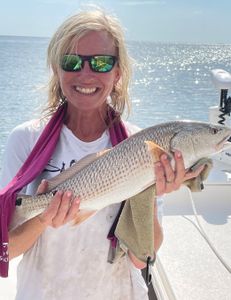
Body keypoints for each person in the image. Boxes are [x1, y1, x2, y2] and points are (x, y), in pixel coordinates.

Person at [0, 9, 204, 300]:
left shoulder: (140, 145)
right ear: (57, 70)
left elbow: (140, 258)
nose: (86, 74)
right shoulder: (26, 139)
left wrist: (150, 196)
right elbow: (8, 249)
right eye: (71, 61)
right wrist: (43, 218)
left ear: (117, 72)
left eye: (101, 62)